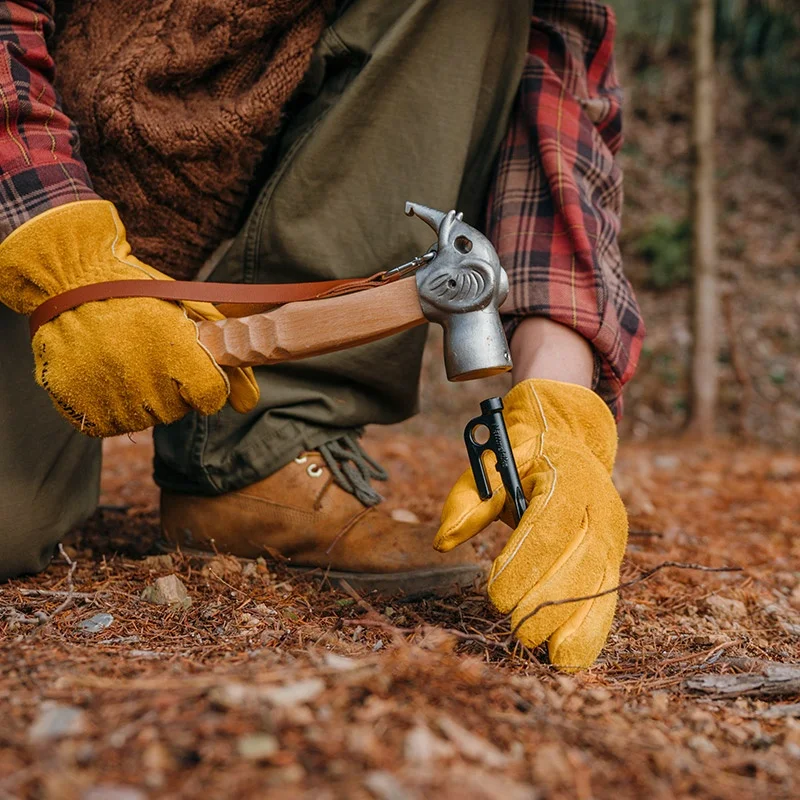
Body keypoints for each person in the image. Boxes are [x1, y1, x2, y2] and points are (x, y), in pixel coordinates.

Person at [0, 0, 643, 670]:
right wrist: (63, 252)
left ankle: (264, 447)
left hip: (246, 185)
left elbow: (557, 101)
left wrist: (559, 399)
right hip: (32, 193)